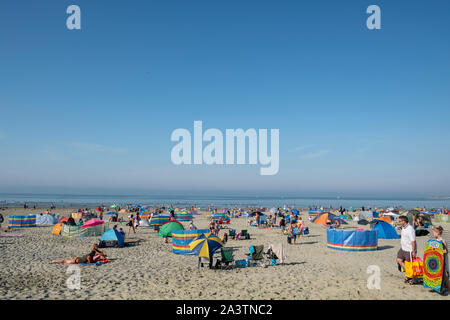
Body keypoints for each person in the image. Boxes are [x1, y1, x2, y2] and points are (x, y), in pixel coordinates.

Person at [396, 215, 417, 284]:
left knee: (411, 265)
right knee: (399, 260)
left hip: (409, 250)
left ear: (404, 221)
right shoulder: (403, 227)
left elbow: (413, 241)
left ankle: (414, 279)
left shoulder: (410, 229)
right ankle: (409, 274)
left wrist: (414, 251)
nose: (399, 222)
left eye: (400, 221)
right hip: (403, 248)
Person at [431, 226, 449, 294]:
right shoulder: (436, 240)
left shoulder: (443, 241)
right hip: (438, 260)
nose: (433, 234)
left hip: (443, 259)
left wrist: (440, 251)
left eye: (433, 232)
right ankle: (440, 287)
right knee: (439, 274)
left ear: (437, 233)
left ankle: (448, 288)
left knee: (445, 275)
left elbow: (446, 251)